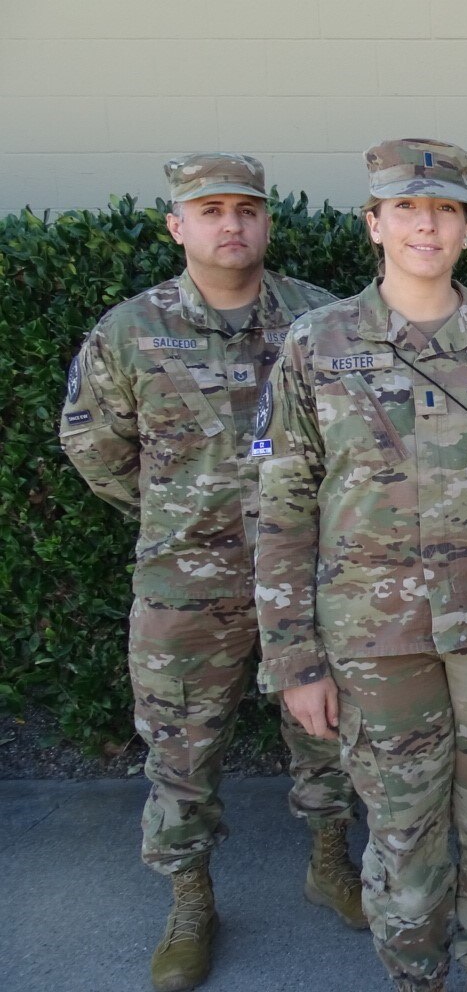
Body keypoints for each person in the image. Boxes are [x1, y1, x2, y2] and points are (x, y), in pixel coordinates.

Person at [254, 139, 467, 992]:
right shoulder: (316, 345)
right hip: (375, 641)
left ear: (466, 230)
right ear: (373, 223)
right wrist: (293, 657)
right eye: (406, 208)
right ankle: (415, 978)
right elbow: (284, 507)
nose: (425, 225)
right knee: (402, 832)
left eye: (444, 209)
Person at [59, 153, 361, 992]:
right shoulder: (130, 331)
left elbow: (361, 440)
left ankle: (329, 861)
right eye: (210, 210)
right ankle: (191, 902)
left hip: (308, 576)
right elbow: (93, 443)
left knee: (327, 731)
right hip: (186, 586)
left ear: (267, 220)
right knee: (181, 750)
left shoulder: (318, 321)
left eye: (247, 209)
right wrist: (175, 516)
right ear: (177, 226)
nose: (231, 224)